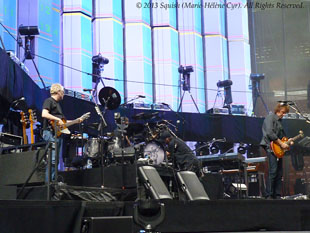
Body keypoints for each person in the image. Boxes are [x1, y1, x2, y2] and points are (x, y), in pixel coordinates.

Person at [41, 83, 83, 181]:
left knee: (56, 161)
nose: (64, 94)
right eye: (63, 92)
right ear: (59, 92)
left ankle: (53, 182)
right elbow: (44, 114)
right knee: (53, 160)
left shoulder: (58, 105)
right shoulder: (49, 101)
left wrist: (76, 120)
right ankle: (48, 184)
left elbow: (63, 122)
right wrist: (57, 119)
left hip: (57, 134)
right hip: (50, 133)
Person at [260, 103, 292, 199]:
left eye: (285, 113)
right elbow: (270, 132)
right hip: (270, 146)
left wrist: (287, 142)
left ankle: (277, 194)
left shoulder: (279, 121)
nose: (283, 114)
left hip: (278, 147)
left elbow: (282, 137)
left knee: (279, 172)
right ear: (278, 110)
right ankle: (269, 194)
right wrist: (281, 143)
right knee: (273, 170)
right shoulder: (270, 117)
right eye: (283, 112)